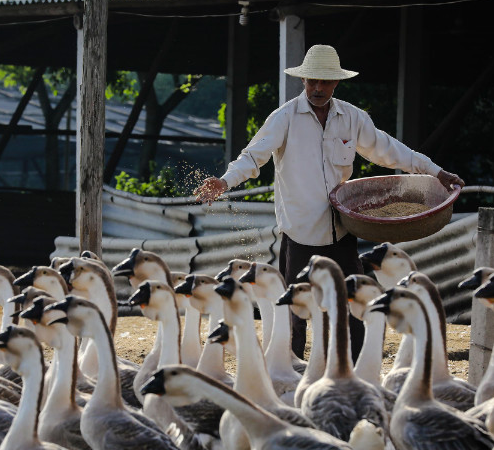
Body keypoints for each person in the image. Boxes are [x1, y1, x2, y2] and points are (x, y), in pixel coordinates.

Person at [194, 44, 465, 360]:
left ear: (336, 83)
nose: (317, 88)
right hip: (300, 236)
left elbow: (389, 150)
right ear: (304, 81)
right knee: (295, 316)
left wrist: (436, 172)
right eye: (312, 81)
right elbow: (253, 156)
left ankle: (356, 372)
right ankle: (289, 375)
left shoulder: (351, 118)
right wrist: (224, 181)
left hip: (341, 232)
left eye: (324, 82)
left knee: (354, 309)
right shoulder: (284, 118)